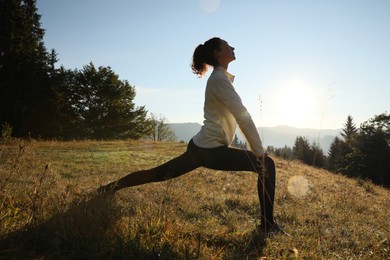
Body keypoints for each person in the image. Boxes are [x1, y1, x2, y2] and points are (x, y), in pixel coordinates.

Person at [98, 37, 285, 235]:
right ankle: (267, 226)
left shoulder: (220, 78)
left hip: (201, 147)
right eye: (227, 44)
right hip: (209, 150)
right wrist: (258, 151)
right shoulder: (219, 80)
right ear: (217, 52)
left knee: (159, 174)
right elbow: (242, 116)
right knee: (267, 165)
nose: (233, 47)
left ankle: (109, 188)